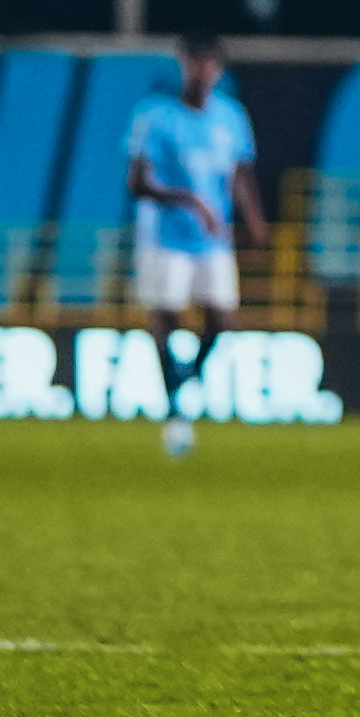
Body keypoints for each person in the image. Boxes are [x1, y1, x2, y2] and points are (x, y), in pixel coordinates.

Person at [124, 33, 266, 456]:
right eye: (196, 62)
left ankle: (185, 375)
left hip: (212, 239)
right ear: (183, 64)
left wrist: (254, 218)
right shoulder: (155, 115)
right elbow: (136, 182)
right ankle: (174, 410)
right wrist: (187, 200)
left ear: (218, 71)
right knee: (166, 317)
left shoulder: (231, 117)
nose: (203, 71)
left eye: (210, 64)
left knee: (223, 320)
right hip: (165, 236)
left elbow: (239, 173)